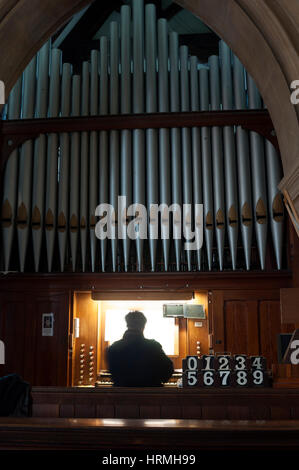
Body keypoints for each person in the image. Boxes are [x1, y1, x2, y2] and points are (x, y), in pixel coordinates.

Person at [106, 310, 174, 387]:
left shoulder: (113, 347)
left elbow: (114, 375)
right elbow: (168, 371)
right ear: (143, 326)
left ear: (127, 324)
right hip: (151, 394)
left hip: (122, 395)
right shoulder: (153, 346)